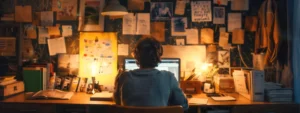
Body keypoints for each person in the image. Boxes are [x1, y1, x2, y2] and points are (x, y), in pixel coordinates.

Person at [113, 37, 188, 111]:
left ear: (136, 56)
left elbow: (118, 104)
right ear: (158, 56)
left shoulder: (124, 77)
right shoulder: (169, 77)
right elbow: (183, 105)